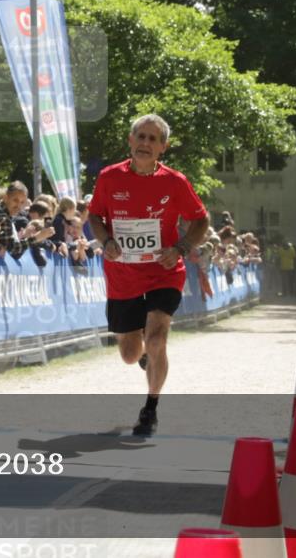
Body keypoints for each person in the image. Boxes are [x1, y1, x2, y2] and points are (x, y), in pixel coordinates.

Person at [87, 114, 209, 437]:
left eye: (153, 139)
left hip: (163, 272)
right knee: (130, 355)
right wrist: (106, 241)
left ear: (162, 147)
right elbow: (95, 215)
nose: (145, 143)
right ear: (131, 141)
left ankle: (150, 408)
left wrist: (181, 248)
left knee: (157, 339)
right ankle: (144, 357)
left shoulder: (175, 182)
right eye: (141, 136)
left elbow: (201, 221)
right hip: (123, 274)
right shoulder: (109, 177)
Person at [0, 181, 53, 258]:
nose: (19, 206)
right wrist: (38, 237)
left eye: (22, 202)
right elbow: (14, 250)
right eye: (15, 200)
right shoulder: (2, 216)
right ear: (6, 198)